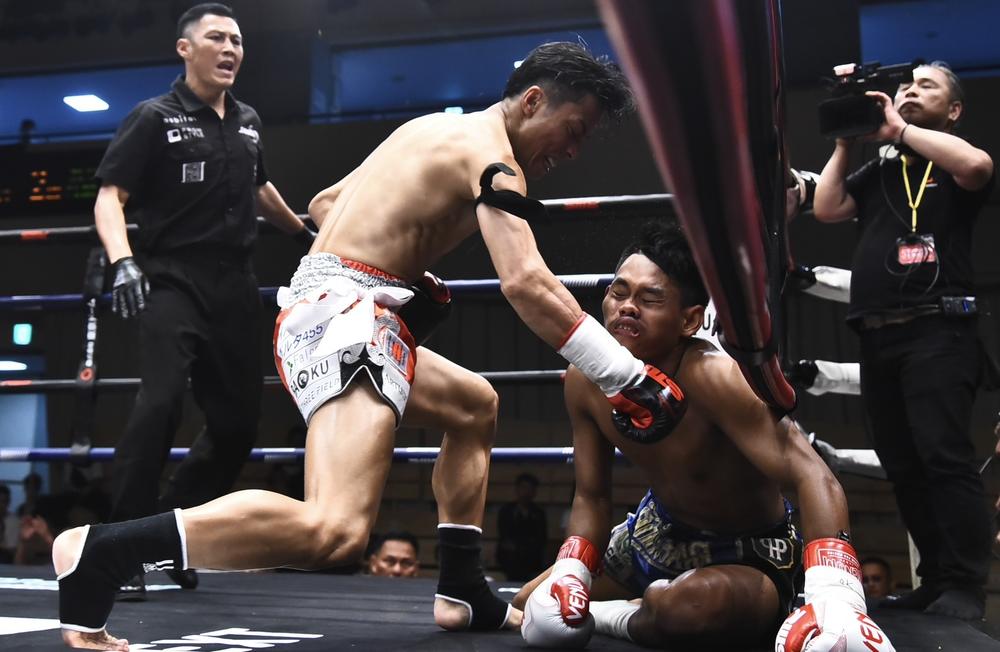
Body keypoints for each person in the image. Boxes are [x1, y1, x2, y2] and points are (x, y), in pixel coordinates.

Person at [52, 40, 692, 651]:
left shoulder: (430, 130)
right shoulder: (493, 163)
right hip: (346, 316)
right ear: (532, 101)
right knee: (332, 531)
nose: (573, 151)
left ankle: (463, 589)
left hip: (338, 304)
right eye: (573, 130)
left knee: (474, 405)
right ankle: (104, 550)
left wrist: (395, 265)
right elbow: (527, 283)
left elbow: (324, 202)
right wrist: (625, 376)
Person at [513, 222, 895, 651]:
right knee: (532, 606)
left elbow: (814, 475)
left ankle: (613, 616)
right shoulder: (584, 380)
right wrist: (573, 570)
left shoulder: (717, 378)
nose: (627, 308)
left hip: (748, 553)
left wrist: (837, 594)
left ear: (690, 319)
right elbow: (592, 496)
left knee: (687, 610)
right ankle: (639, 606)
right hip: (653, 534)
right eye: (619, 293)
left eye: (649, 299)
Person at [92, 3, 312, 597]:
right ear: (185, 49)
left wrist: (303, 234)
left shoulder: (248, 120)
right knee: (160, 405)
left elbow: (259, 186)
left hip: (235, 285)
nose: (231, 49)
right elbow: (110, 197)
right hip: (171, 278)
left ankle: (167, 534)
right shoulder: (153, 117)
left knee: (238, 425)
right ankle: (120, 547)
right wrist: (122, 262)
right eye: (217, 38)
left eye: (237, 40)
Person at [813, 61, 994, 621]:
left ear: (954, 110)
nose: (911, 90)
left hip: (937, 331)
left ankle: (964, 584)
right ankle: (934, 580)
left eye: (926, 86)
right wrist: (847, 142)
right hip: (878, 336)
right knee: (903, 463)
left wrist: (901, 130)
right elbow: (827, 207)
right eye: (905, 85)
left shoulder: (950, 161)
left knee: (944, 457)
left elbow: (978, 165)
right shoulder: (882, 171)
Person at [496, 472, 548, 581]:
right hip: (509, 560)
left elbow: (541, 538)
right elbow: (504, 535)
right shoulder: (506, 510)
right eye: (524, 488)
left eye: (530, 488)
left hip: (532, 560)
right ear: (517, 489)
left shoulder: (538, 513)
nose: (526, 492)